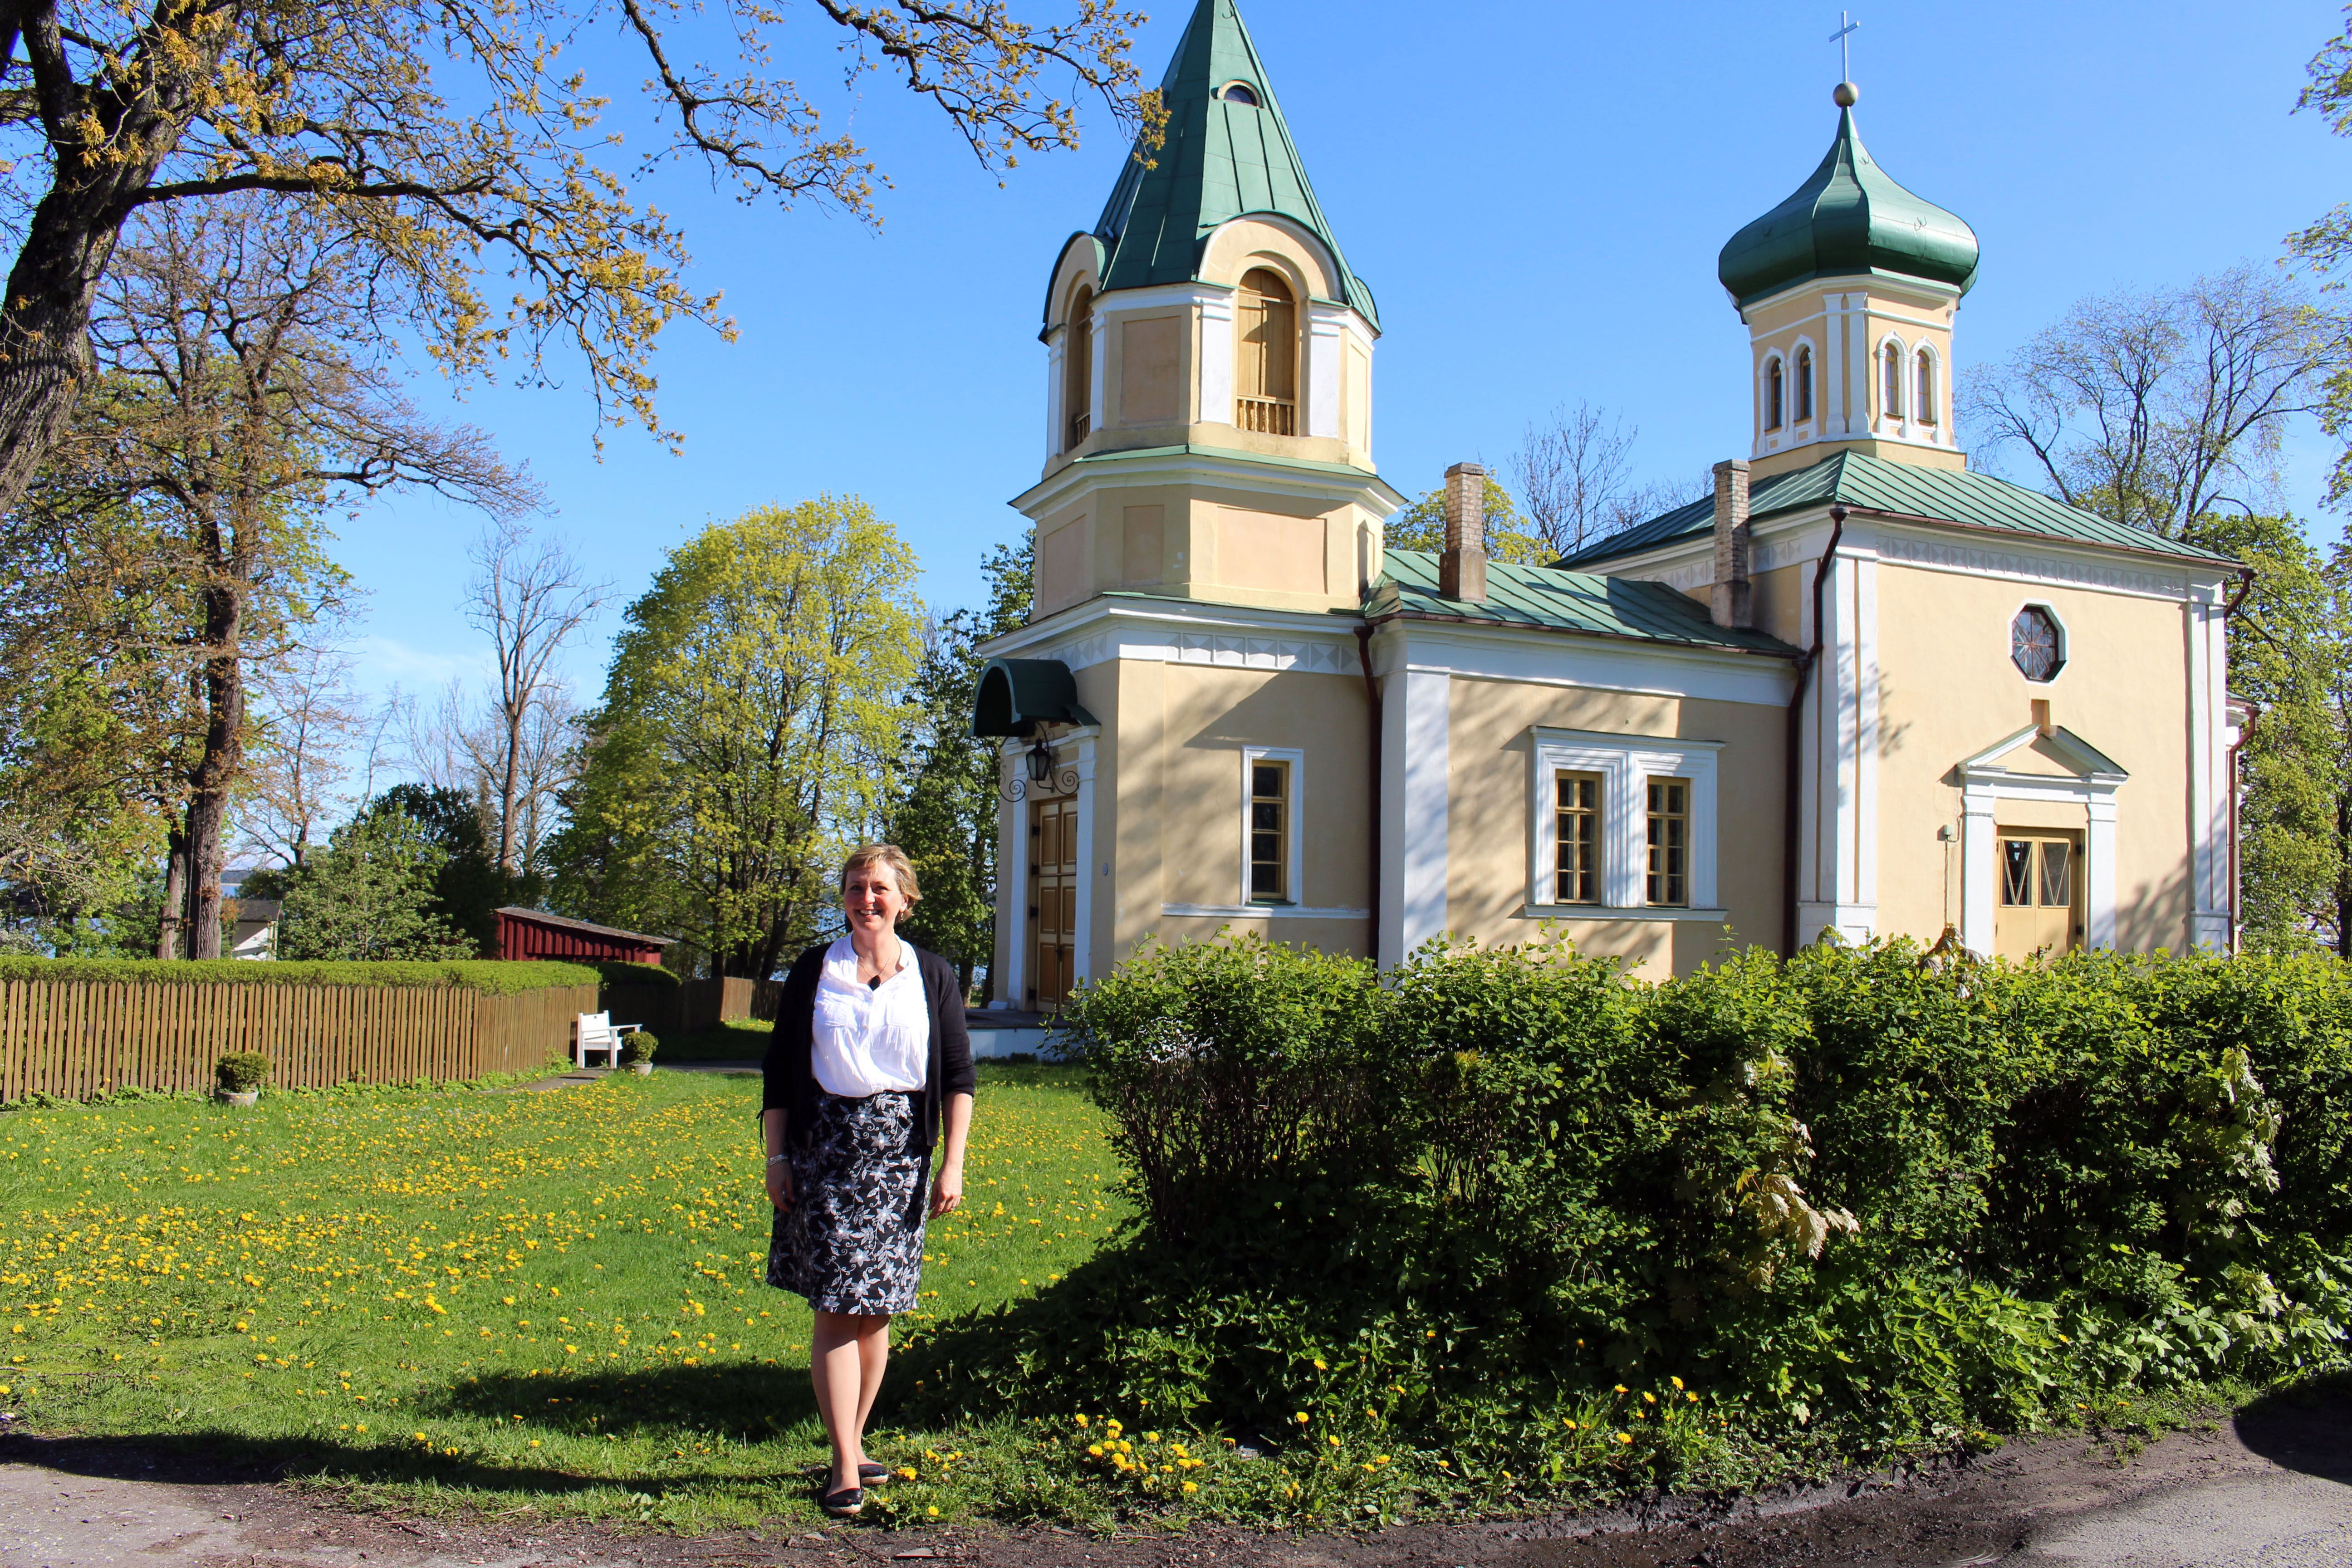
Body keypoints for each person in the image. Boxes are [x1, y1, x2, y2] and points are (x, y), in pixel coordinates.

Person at [762, 844, 975, 1519]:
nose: (867, 900)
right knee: (834, 1309)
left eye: (880, 889)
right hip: (826, 1153)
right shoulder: (814, 970)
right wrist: (776, 1158)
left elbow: (959, 1077)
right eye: (857, 888)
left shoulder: (932, 975)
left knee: (877, 1309)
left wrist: (953, 1163)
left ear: (904, 900)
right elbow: (777, 1071)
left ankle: (853, 1443)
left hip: (901, 1160)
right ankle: (843, 1463)